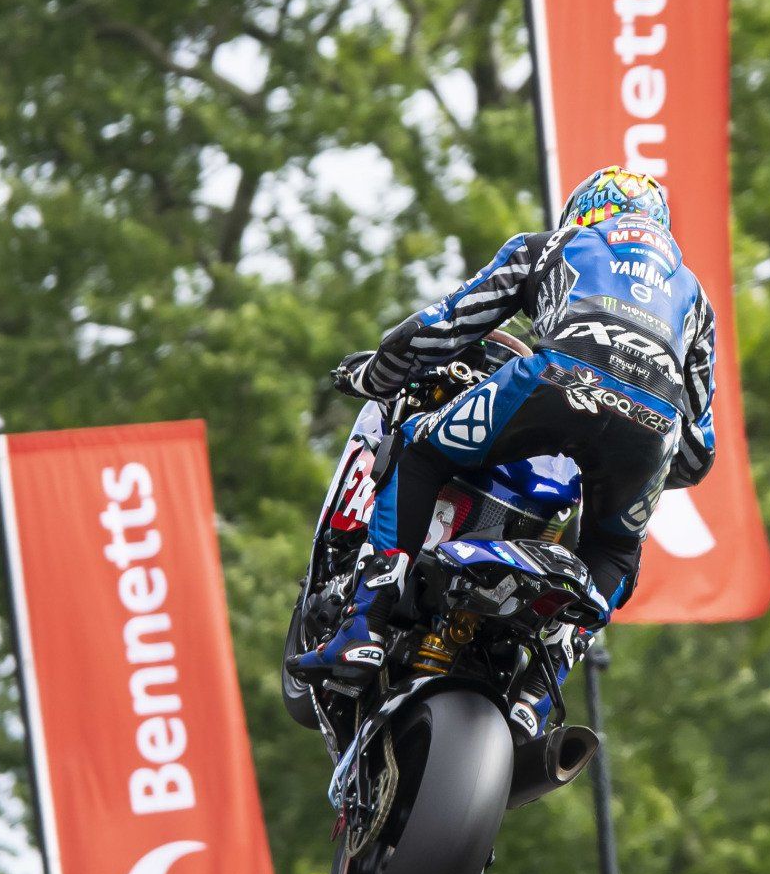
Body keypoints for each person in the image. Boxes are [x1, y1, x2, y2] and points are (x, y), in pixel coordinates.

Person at [289, 166, 717, 686]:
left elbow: (443, 326)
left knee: (420, 451)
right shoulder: (694, 297)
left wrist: (375, 375)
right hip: (656, 427)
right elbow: (698, 453)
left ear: (583, 213)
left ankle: (365, 627)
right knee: (616, 550)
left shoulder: (555, 245)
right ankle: (537, 694)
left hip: (556, 381)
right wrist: (625, 451)